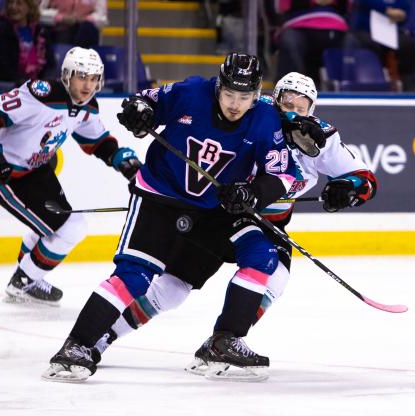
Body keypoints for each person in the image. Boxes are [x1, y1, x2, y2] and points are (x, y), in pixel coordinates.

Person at [89, 72, 378, 381]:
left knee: (274, 277)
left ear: (313, 108)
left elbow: (364, 177)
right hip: (218, 214)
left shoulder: (321, 137)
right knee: (171, 289)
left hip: (265, 223)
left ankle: (223, 341)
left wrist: (348, 188)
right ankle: (102, 335)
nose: (292, 107)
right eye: (286, 99)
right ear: (272, 98)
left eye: (302, 103)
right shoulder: (256, 115)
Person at [41, 53, 297, 383]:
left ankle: (226, 339)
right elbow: (142, 102)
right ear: (218, 86)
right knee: (134, 276)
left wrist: (253, 193)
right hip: (159, 196)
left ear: (257, 94)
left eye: (244, 97)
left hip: (215, 209)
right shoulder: (191, 93)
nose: (235, 104)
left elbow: (284, 175)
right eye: (230, 95)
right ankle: (77, 345)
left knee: (262, 257)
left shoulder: (265, 118)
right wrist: (138, 112)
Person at [0, 46, 140, 306]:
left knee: (61, 225)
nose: (88, 85)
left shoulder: (87, 107)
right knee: (70, 229)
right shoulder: (42, 95)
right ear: (67, 76)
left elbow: (98, 142)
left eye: (94, 78)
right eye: (82, 76)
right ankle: (24, 280)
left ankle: (27, 274)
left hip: (36, 170)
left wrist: (125, 163)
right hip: (6, 173)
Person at [272, 0, 350, 85]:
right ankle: (289, 90)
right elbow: (280, 6)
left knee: (352, 45)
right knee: (289, 42)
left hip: (335, 27)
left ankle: (347, 90)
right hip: (297, 25)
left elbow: (349, 6)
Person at [348, 0, 415, 90]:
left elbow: (404, 7)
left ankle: (406, 87)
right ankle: (372, 84)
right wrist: (386, 10)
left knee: (409, 45)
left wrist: (401, 15)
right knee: (370, 45)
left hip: (390, 30)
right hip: (365, 30)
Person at [0, 0, 56, 91]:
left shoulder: (40, 31)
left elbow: (50, 64)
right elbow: (3, 68)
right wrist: (27, 85)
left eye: (18, 3)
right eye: (10, 3)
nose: (13, 7)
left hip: (37, 87)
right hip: (10, 86)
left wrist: (44, 83)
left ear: (29, 7)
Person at [38, 0, 106, 49]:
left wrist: (87, 18)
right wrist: (59, 17)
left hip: (84, 30)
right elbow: (39, 11)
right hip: (59, 28)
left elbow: (101, 16)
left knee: (87, 28)